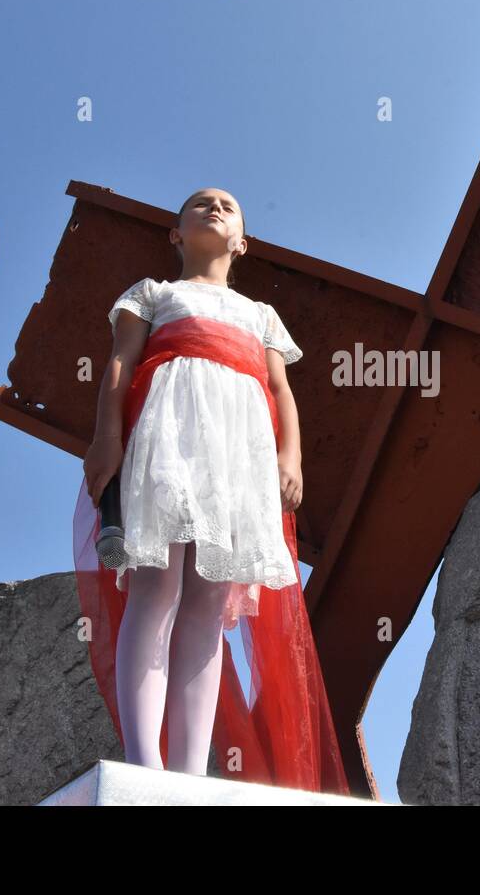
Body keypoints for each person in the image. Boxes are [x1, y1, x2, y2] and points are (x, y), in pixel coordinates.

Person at [71, 187, 349, 794]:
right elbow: (120, 365)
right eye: (199, 202)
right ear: (175, 234)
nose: (213, 206)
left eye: (227, 204)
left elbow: (280, 391)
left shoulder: (261, 316)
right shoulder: (153, 295)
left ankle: (191, 773)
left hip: (234, 461)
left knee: (206, 606)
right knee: (157, 590)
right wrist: (106, 439)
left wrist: (290, 454)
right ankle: (145, 763)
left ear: (242, 242)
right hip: (169, 443)